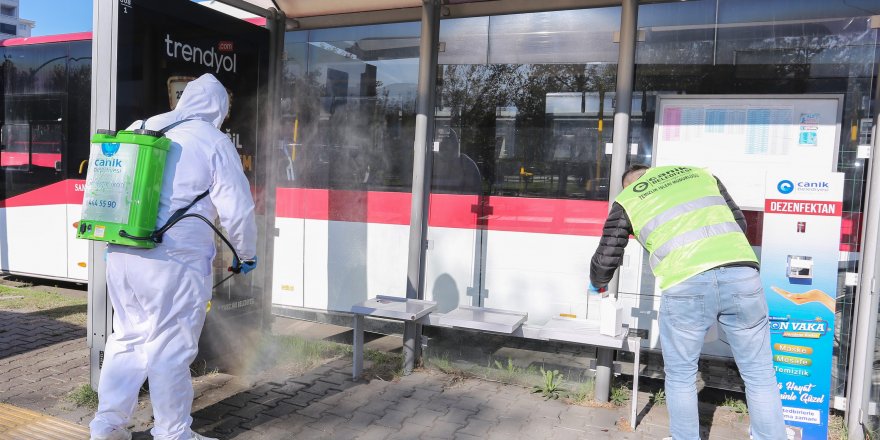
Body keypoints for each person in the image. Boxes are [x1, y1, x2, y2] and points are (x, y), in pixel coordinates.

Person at [89, 73, 257, 440]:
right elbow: (238, 210)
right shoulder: (213, 140)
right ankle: (173, 432)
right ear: (219, 109)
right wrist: (245, 254)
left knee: (127, 338)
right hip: (174, 262)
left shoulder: (143, 126)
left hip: (122, 250)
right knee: (170, 346)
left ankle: (106, 426)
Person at [589, 165, 785, 440]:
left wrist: (598, 280)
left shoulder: (630, 198)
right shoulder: (702, 175)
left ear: (629, 185)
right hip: (742, 275)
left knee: (681, 375)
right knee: (760, 372)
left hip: (687, 282)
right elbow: (738, 222)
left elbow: (608, 253)